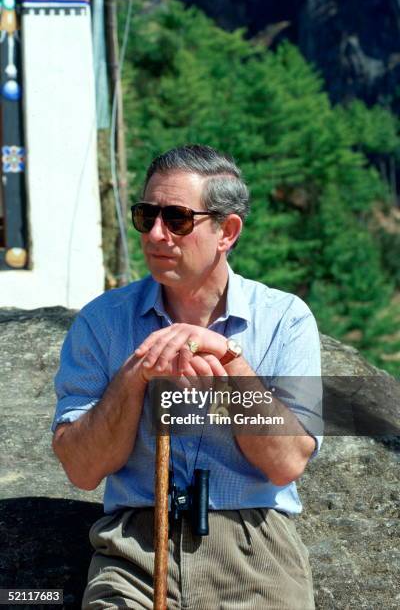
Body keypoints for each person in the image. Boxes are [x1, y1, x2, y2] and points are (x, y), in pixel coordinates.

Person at [52, 144, 322, 610]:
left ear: (227, 231)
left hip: (254, 548)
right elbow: (81, 468)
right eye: (146, 215)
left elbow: (286, 463)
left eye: (176, 219)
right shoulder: (101, 322)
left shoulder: (285, 319)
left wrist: (231, 361)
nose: (157, 234)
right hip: (135, 550)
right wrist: (136, 374)